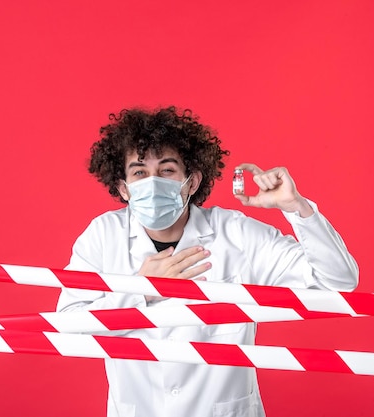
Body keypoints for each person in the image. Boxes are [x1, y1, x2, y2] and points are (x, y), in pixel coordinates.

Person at [56, 106, 358, 417]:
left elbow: (336, 282)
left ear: (192, 182)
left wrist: (297, 208)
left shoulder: (237, 234)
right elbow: (68, 326)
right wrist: (139, 291)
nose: (153, 182)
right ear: (123, 187)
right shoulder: (102, 236)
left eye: (167, 170)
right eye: (140, 173)